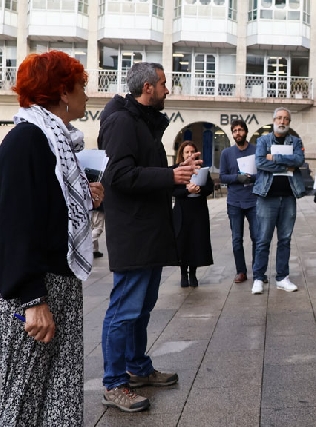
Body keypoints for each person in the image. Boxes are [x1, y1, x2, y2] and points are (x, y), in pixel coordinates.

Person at [0, 50, 103, 426]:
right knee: (22, 400)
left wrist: (84, 195)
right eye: (81, 86)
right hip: (36, 291)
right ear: (63, 92)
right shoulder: (28, 139)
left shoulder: (58, 140)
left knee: (57, 394)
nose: (86, 95)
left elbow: (46, 205)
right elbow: (13, 223)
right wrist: (31, 298)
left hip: (58, 284)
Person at [99, 62, 200, 411]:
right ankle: (114, 383)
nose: (167, 89)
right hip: (134, 232)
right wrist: (170, 177)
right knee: (123, 310)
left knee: (141, 308)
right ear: (146, 88)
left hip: (149, 230)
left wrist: (177, 173)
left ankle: (137, 368)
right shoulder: (123, 122)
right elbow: (120, 177)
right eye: (162, 83)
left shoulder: (142, 122)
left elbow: (147, 173)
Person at [251, 107, 306, 295]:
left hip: (289, 196)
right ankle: (258, 277)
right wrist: (286, 163)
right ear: (273, 120)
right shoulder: (263, 140)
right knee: (263, 239)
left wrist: (274, 157)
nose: (282, 122)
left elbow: (299, 160)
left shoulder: (295, 141)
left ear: (289, 122)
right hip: (267, 196)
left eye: (286, 119)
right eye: (279, 118)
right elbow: (260, 162)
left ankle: (282, 277)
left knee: (285, 239)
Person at [220, 119, 259, 284]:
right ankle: (241, 271)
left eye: (240, 130)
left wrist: (252, 177)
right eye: (235, 130)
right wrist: (237, 177)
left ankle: (258, 271)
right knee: (237, 238)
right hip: (235, 201)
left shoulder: (256, 151)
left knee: (257, 237)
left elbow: (264, 173)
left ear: (246, 132)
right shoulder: (226, 153)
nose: (238, 133)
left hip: (254, 201)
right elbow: (222, 176)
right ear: (232, 133)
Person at [173, 141, 214, 288]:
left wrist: (199, 190)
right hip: (182, 210)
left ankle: (193, 273)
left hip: (198, 210)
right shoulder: (176, 170)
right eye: (187, 152)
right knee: (183, 242)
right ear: (182, 155)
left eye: (192, 152)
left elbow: (209, 188)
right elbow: (172, 190)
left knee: (196, 241)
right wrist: (187, 191)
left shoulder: (202, 169)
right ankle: (183, 273)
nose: (190, 155)